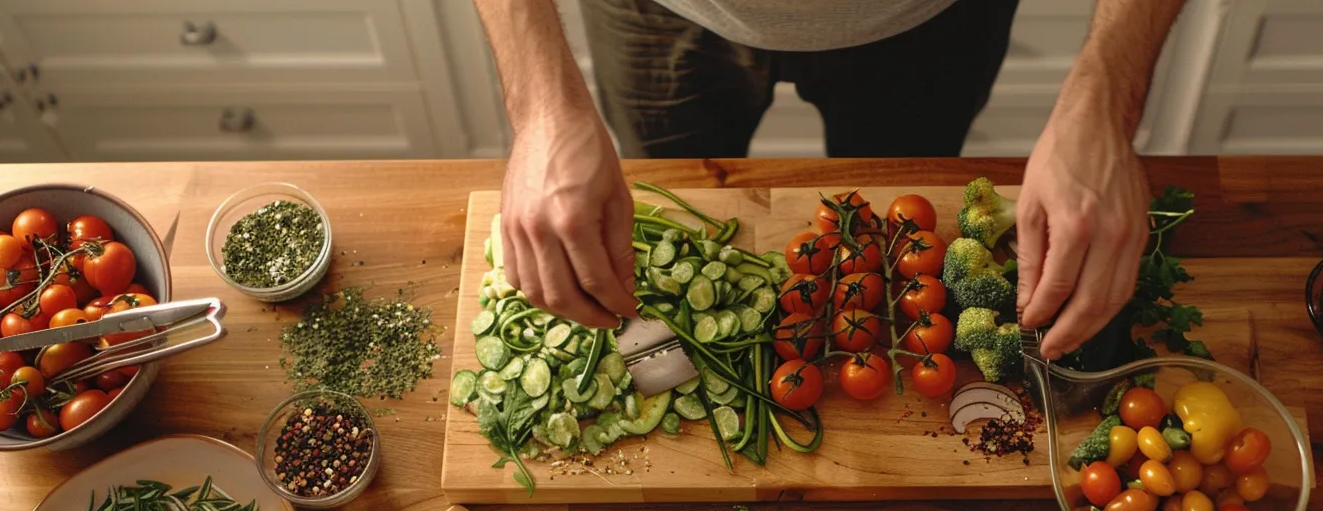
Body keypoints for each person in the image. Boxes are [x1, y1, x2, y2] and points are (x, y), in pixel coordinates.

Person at [472, 0, 1186, 360]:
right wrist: (538, 104)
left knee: (903, 231)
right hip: (653, 13)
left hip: (934, 20)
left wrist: (1107, 98)